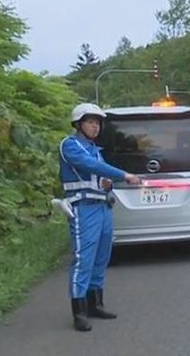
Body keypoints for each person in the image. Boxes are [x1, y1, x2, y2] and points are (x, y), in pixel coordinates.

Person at [59, 103, 141, 332]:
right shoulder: (70, 145)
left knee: (101, 257)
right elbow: (91, 166)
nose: (95, 127)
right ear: (78, 124)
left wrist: (108, 184)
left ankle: (96, 304)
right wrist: (124, 175)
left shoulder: (95, 149)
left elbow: (99, 174)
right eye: (90, 122)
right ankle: (80, 311)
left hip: (102, 206)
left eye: (97, 123)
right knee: (83, 258)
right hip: (83, 208)